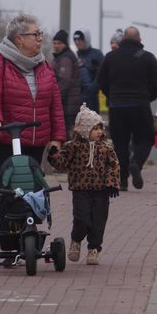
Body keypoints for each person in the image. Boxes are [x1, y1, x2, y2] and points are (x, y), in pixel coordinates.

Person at [0, 14, 66, 266]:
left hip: (35, 139)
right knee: (11, 189)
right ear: (19, 38)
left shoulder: (43, 66)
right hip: (3, 137)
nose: (40, 39)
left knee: (31, 187)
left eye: (41, 34)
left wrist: (58, 137)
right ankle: (8, 245)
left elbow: (55, 105)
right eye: (35, 34)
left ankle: (29, 233)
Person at [48, 104, 120, 265]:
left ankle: (94, 248)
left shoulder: (106, 148)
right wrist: (53, 156)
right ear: (84, 130)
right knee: (82, 219)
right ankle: (76, 240)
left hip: (101, 190)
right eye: (95, 129)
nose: (99, 132)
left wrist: (112, 183)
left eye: (100, 128)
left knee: (99, 221)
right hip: (80, 189)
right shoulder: (72, 147)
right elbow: (62, 163)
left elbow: (113, 165)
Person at [97, 26, 157, 191]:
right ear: (140, 40)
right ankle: (136, 163)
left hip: (117, 106)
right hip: (140, 105)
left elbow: (101, 81)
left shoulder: (110, 58)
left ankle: (122, 181)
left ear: (122, 40)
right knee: (146, 139)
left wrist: (112, 96)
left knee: (120, 143)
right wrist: (148, 97)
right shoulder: (148, 58)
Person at [52, 29, 89, 134]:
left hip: (67, 105)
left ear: (65, 44)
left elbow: (65, 81)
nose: (56, 46)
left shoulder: (65, 59)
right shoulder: (61, 57)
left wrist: (54, 97)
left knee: (66, 134)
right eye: (54, 43)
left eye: (59, 43)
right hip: (68, 105)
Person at [73, 28, 104, 112]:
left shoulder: (97, 54)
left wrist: (90, 91)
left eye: (80, 39)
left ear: (86, 39)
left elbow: (101, 75)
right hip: (77, 100)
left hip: (92, 100)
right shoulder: (74, 55)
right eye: (75, 40)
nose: (77, 42)